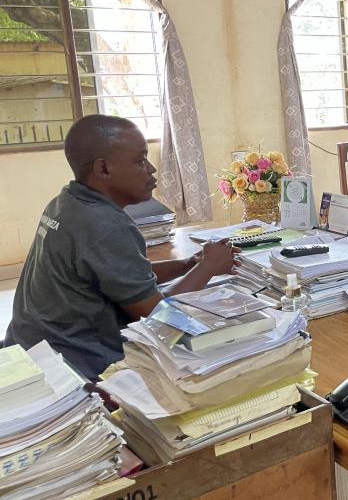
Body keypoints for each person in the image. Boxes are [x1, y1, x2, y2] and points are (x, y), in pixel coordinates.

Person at [4, 115, 238, 381]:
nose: (151, 169)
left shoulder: (67, 201)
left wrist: (188, 265)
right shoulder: (103, 225)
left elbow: (122, 275)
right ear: (103, 168)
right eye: (140, 160)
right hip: (72, 362)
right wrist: (208, 268)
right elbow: (158, 319)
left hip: (30, 342)